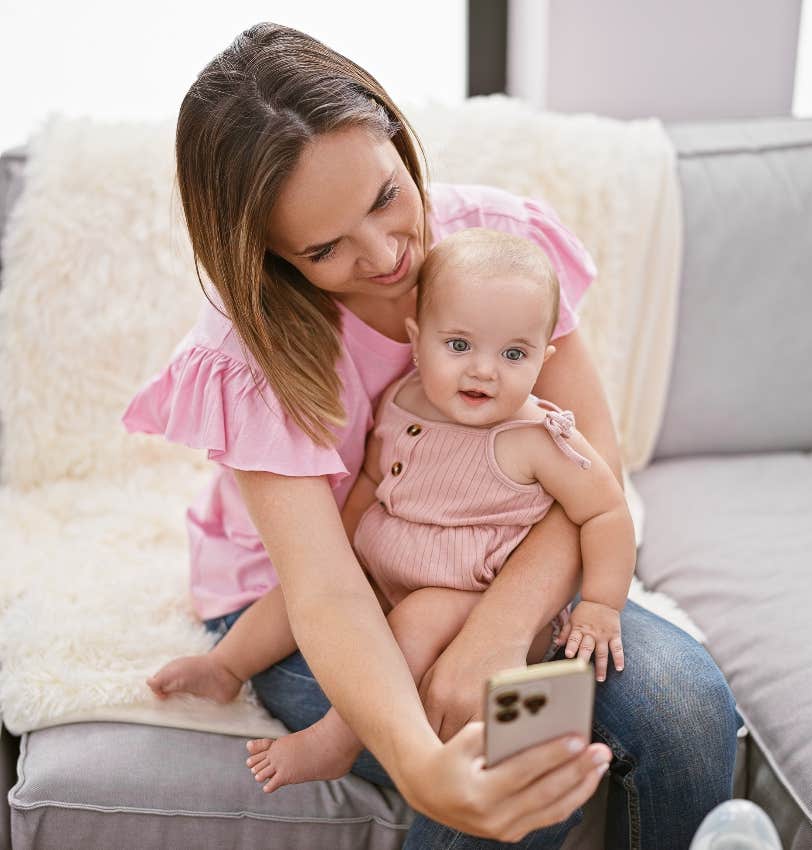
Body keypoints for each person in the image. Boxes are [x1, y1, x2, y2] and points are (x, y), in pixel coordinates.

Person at [123, 22, 739, 848]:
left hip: (493, 563)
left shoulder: (494, 249)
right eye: (324, 247)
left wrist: (496, 631)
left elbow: (588, 472)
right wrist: (421, 763)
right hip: (321, 593)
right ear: (269, 256)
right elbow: (328, 590)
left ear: (394, 135)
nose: (386, 255)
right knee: (505, 748)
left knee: (685, 702)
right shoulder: (249, 353)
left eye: (385, 196)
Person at [148, 228, 637, 792]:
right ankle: (225, 667)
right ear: (417, 337)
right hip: (389, 569)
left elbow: (605, 512)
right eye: (459, 346)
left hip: (470, 597)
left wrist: (601, 604)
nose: (484, 370)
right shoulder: (403, 400)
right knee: (303, 590)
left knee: (418, 618)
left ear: (543, 357)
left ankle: (338, 738)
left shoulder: (539, 438)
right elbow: (373, 482)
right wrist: (347, 550)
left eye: (513, 354)